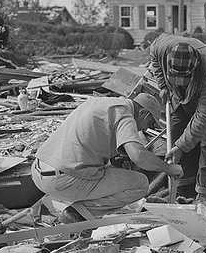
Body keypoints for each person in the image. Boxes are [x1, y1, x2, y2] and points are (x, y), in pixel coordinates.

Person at [32, 93, 182, 223]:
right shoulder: (125, 114)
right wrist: (167, 168)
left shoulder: (102, 103)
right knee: (140, 183)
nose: (143, 129)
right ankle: (78, 214)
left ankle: (79, 211)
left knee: (116, 172)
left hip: (39, 171)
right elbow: (138, 156)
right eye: (148, 123)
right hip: (62, 180)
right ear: (143, 113)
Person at [148, 33, 206, 202]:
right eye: (176, 79)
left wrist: (182, 146)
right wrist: (163, 85)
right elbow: (154, 59)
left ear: (194, 67)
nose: (181, 82)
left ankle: (204, 192)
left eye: (184, 79)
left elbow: (205, 116)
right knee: (176, 129)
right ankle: (182, 185)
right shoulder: (161, 47)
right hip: (180, 91)